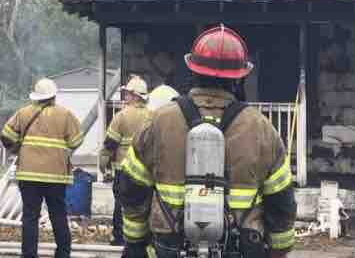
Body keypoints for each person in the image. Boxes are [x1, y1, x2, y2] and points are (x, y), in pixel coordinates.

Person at [119, 25, 297, 258]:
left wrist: (135, 242)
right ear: (239, 78)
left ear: (193, 72)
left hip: (170, 247)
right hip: (242, 248)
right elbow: (281, 201)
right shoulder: (261, 129)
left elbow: (132, 188)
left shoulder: (159, 121)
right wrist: (279, 249)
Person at [0, 78, 83, 258]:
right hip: (56, 176)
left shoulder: (23, 113)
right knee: (58, 215)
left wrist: (16, 149)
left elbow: (6, 135)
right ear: (54, 95)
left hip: (28, 175)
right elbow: (76, 141)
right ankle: (63, 254)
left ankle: (29, 254)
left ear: (36, 96)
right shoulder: (65, 115)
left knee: (30, 216)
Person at [99, 75, 152, 246]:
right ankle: (144, 238)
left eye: (128, 93)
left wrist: (103, 164)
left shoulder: (121, 116)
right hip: (147, 171)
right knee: (145, 205)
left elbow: (110, 144)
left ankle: (119, 237)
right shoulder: (153, 116)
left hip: (125, 170)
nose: (125, 96)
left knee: (121, 204)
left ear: (135, 96)